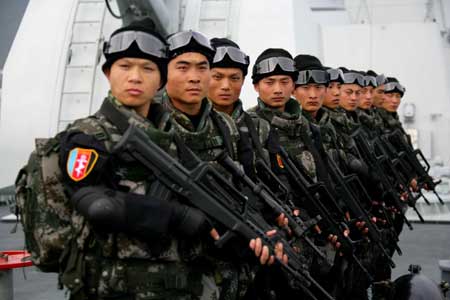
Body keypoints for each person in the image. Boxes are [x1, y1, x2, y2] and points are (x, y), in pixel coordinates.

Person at [163, 30, 286, 299]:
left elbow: (245, 187)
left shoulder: (235, 128)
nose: (225, 86)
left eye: (234, 78)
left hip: (228, 260)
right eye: (217, 76)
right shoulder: (156, 123)